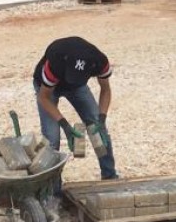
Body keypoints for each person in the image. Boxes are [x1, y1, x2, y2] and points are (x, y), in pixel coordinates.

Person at [32, 36, 118, 182]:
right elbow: (44, 98)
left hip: (77, 88)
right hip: (47, 88)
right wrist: (64, 125)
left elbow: (106, 90)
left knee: (97, 129)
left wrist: (102, 119)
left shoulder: (100, 61)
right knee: (52, 137)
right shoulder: (56, 60)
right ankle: (53, 188)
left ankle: (109, 175)